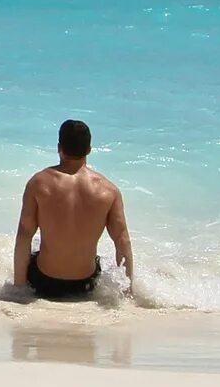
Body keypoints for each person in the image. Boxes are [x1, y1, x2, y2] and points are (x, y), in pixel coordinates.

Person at [13, 118, 132, 302]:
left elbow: (23, 235)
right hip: (86, 285)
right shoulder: (109, 191)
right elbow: (122, 241)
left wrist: (19, 289)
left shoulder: (38, 184)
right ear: (89, 149)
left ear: (59, 147)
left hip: (44, 282)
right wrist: (128, 294)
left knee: (36, 246)